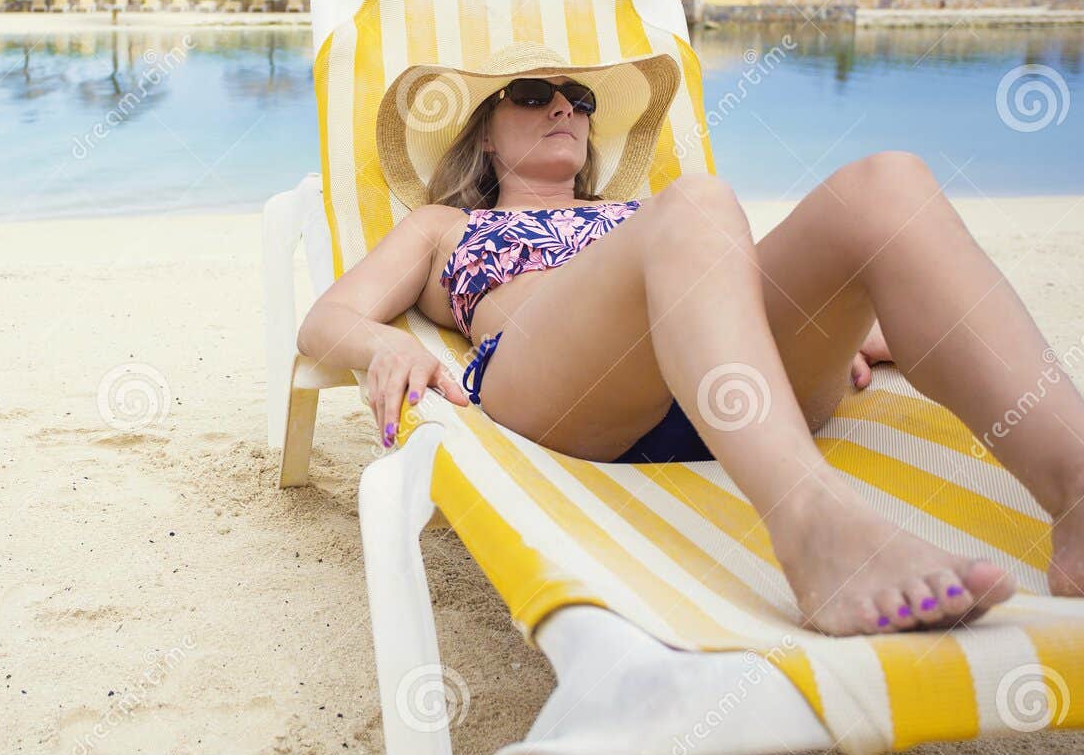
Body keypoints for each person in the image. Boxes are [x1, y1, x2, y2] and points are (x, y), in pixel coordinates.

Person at [297, 44, 1084, 637]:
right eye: (534, 94)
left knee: (889, 183)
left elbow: (740, 278)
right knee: (700, 204)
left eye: (577, 97)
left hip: (736, 381)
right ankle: (814, 524)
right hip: (572, 393)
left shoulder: (646, 208)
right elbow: (328, 319)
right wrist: (385, 347)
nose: (564, 106)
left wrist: (851, 322)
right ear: (488, 140)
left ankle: (1077, 490)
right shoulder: (449, 226)